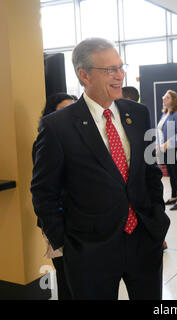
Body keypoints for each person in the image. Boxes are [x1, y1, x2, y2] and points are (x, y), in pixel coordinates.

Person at [31, 38, 170, 299]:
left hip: (143, 240)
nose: (120, 75)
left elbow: (150, 173)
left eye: (120, 67)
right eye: (110, 70)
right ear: (84, 75)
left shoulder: (138, 114)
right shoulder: (57, 126)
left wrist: (157, 218)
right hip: (90, 251)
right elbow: (43, 192)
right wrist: (65, 242)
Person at [33, 92, 76, 300]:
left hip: (83, 224)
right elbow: (43, 190)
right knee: (67, 279)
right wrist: (57, 233)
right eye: (63, 110)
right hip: (61, 223)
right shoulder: (47, 141)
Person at [157, 90, 177, 211]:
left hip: (176, 148)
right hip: (167, 149)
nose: (164, 98)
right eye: (164, 96)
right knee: (171, 174)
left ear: (174, 100)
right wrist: (159, 144)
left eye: (167, 97)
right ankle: (173, 196)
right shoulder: (165, 114)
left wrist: (166, 144)